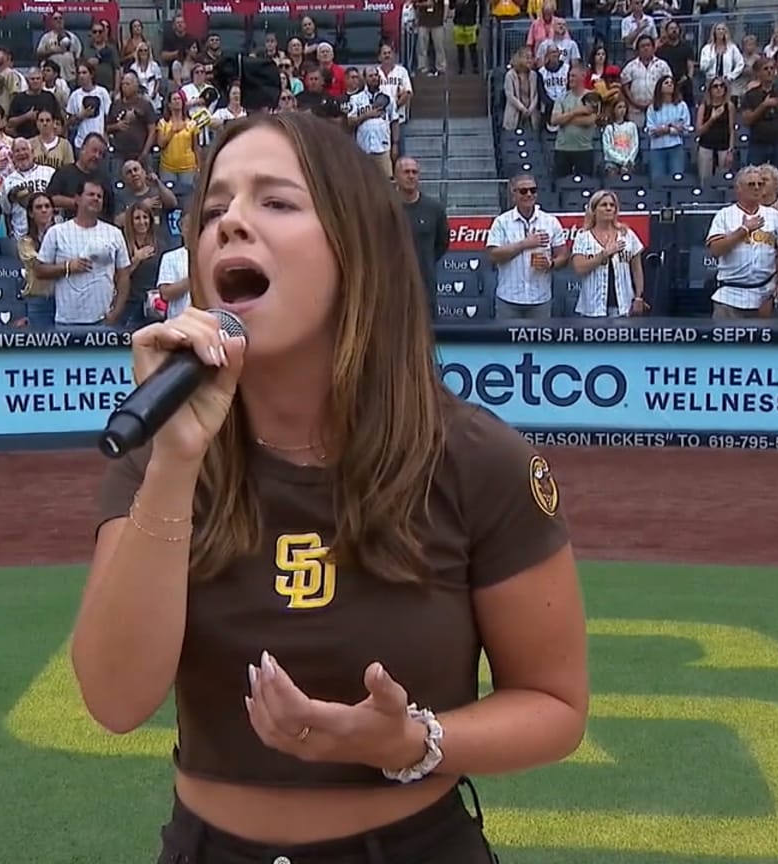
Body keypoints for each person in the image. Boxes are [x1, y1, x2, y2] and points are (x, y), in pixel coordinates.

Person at [73, 112, 587, 864]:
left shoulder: (478, 461)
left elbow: (555, 706)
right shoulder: (163, 451)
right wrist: (176, 461)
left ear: (357, 249)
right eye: (214, 209)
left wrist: (417, 740)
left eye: (276, 203)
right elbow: (114, 701)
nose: (232, 225)